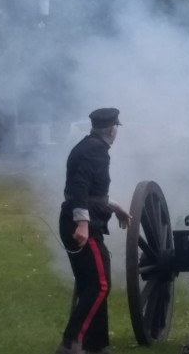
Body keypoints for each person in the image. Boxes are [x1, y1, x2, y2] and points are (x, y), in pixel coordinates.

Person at [55, 108, 131, 354]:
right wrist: (83, 223)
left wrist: (115, 206)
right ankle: (70, 343)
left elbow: (93, 192)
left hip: (78, 219)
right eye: (117, 128)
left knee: (91, 283)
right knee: (99, 285)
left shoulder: (87, 146)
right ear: (112, 129)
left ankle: (96, 345)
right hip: (83, 224)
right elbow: (80, 186)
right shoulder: (96, 151)